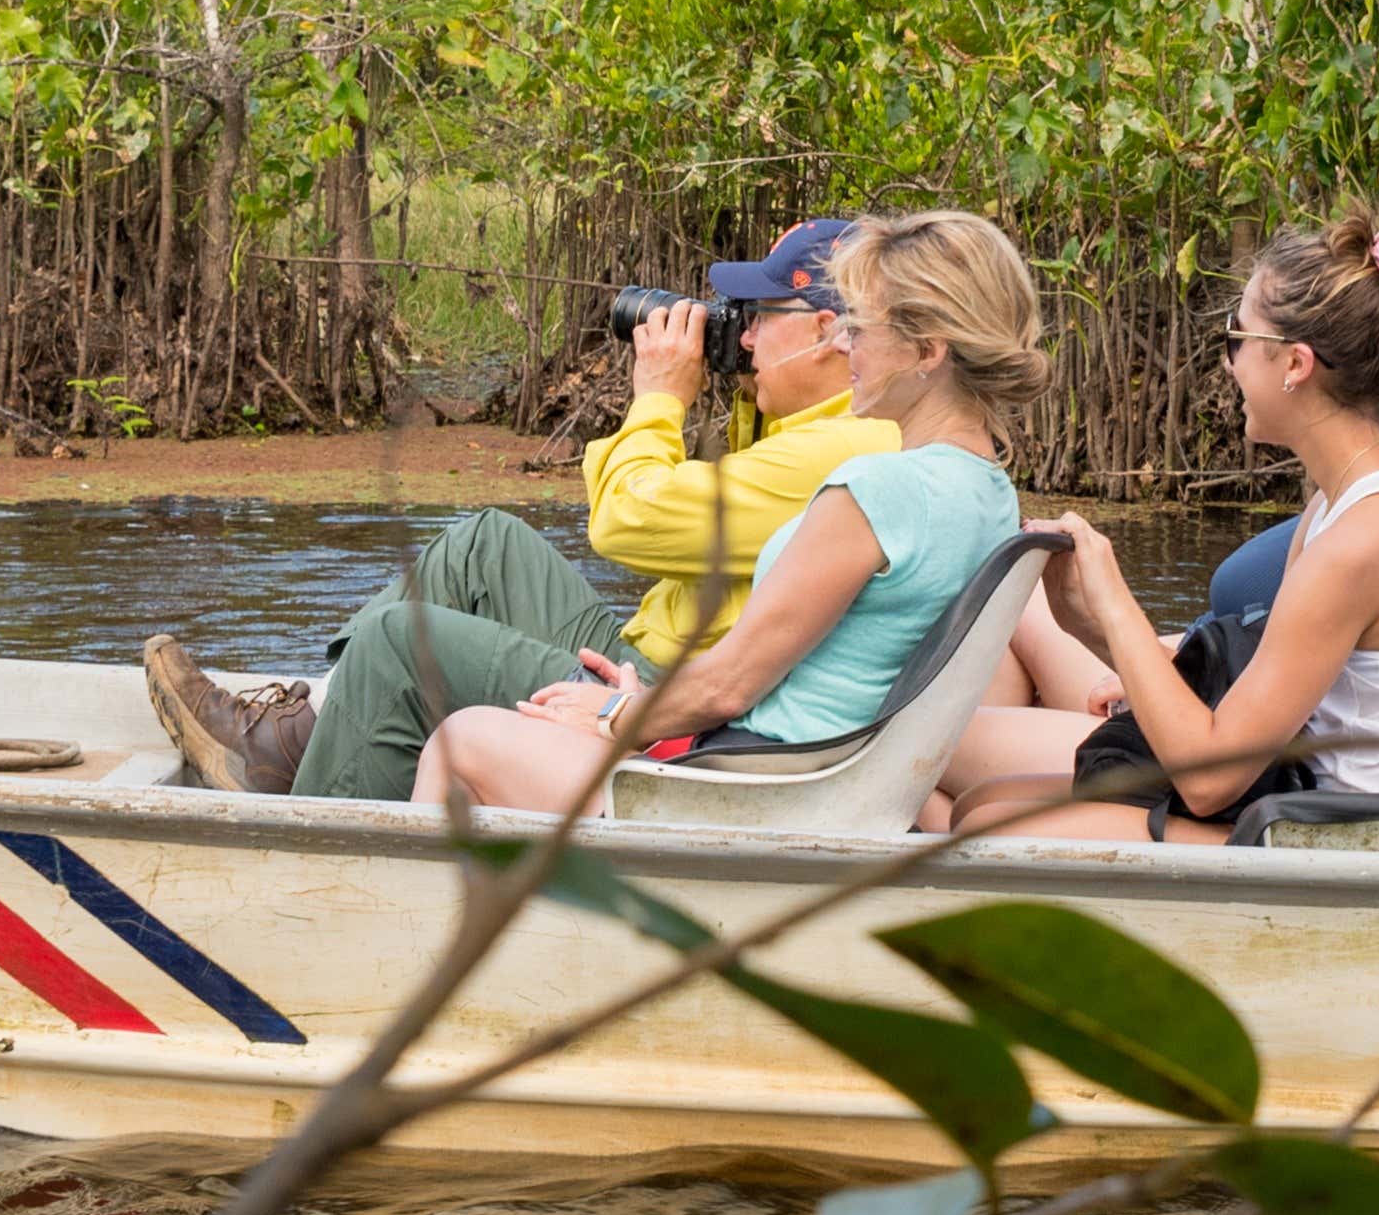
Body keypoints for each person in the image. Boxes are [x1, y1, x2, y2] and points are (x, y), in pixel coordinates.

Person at [156, 217, 898, 800]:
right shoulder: (820, 433)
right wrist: (744, 375)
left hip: (669, 700)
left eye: (763, 314)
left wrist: (660, 399)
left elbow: (630, 522)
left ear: (835, 333)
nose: (745, 332)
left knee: (397, 643)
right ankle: (298, 744)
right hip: (655, 659)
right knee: (486, 544)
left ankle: (318, 816)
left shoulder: (839, 452)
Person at [416, 211, 1050, 814]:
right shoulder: (989, 490)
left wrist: (612, 714)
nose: (844, 344)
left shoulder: (879, 489)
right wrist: (639, 699)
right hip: (819, 773)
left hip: (752, 785)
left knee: (462, 737)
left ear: (927, 351)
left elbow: (729, 686)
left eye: (858, 327)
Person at [943, 202, 1379, 842]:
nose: (1229, 362)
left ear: (1294, 364)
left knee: (990, 827)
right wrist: (1095, 627)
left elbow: (1210, 781)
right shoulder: (1348, 497)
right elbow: (1258, 700)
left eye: (1236, 339)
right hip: (1310, 807)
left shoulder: (1369, 536)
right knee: (984, 801)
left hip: (1357, 847)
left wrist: (1115, 602)